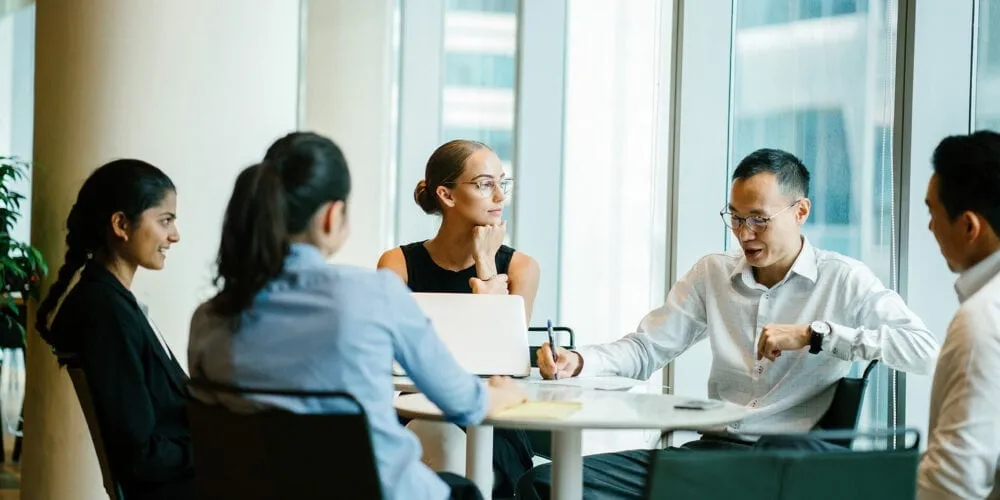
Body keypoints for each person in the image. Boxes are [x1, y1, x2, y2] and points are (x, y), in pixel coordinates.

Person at [522, 148, 941, 499]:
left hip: (787, 461)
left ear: (800, 211)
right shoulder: (713, 274)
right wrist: (578, 361)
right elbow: (647, 348)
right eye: (736, 218)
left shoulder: (843, 279)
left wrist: (816, 334)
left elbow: (925, 351)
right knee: (548, 484)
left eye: (759, 218)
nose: (745, 233)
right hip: (711, 454)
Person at [187, 132, 526, 500]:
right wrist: (506, 394)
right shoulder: (373, 296)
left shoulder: (208, 318)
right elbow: (465, 402)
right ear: (332, 215)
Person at [377, 139, 540, 496]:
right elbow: (388, 357)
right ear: (447, 196)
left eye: (503, 183)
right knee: (437, 438)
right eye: (485, 184)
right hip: (411, 412)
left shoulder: (521, 267)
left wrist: (486, 265)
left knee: (450, 444)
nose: (499, 196)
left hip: (491, 422)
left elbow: (501, 361)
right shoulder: (396, 264)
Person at [35, 160, 192, 500]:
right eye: (165, 220)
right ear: (121, 224)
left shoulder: (110, 301)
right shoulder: (104, 312)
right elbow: (141, 455)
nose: (174, 235)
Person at [918, 130, 1000, 500]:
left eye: (932, 212)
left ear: (969, 226)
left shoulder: (984, 318)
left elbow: (952, 487)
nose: (930, 227)